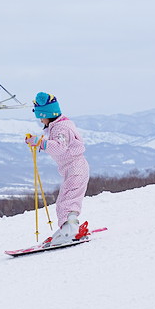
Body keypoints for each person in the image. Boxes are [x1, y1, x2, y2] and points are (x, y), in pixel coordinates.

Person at [25, 92, 90, 246]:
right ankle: (68, 227)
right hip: (74, 167)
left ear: (46, 114)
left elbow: (59, 147)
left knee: (67, 201)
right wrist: (37, 141)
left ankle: (71, 230)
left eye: (40, 117)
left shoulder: (61, 128)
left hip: (76, 167)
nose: (40, 120)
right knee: (66, 200)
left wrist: (40, 143)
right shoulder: (60, 125)